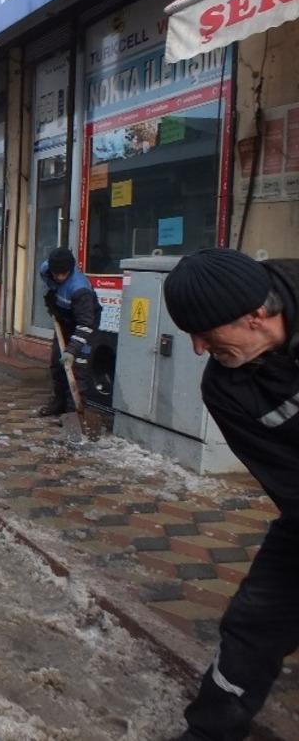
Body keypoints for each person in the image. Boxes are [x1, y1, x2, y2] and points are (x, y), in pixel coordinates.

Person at [161, 249, 299, 741]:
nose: (198, 349)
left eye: (206, 332)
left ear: (256, 316)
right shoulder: (227, 387)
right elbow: (288, 479)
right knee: (254, 620)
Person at [37, 247, 99, 416]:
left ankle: (74, 413)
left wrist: (72, 350)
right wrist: (52, 301)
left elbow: (86, 324)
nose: (59, 277)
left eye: (63, 274)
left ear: (70, 269)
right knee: (57, 365)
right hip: (64, 322)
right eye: (56, 273)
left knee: (77, 369)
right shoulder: (46, 269)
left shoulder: (80, 289)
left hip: (84, 327)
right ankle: (58, 403)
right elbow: (49, 284)